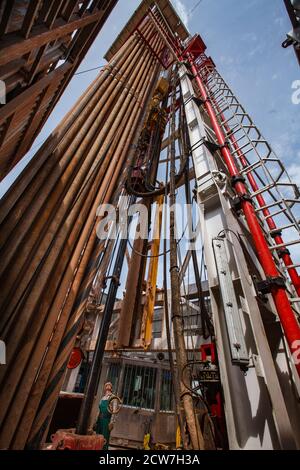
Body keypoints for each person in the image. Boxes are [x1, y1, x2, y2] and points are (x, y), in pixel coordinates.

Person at [95, 382, 117, 450]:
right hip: (99, 420)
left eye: (109, 385)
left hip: (106, 420)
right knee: (97, 437)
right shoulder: (102, 398)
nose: (107, 386)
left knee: (105, 438)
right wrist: (96, 420)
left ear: (111, 388)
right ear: (104, 388)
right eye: (106, 385)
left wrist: (112, 422)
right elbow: (99, 410)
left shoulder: (113, 397)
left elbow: (114, 411)